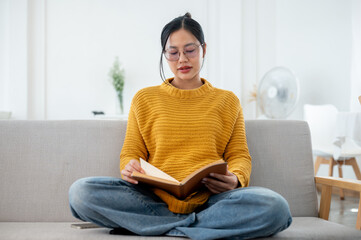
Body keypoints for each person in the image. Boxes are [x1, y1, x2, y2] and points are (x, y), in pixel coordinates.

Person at [68, 12, 292, 240]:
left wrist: (235, 178)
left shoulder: (227, 101)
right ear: (165, 55)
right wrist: (129, 167)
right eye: (173, 53)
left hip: (211, 201)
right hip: (153, 200)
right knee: (80, 193)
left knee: (276, 207)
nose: (182, 59)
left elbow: (239, 155)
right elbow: (131, 153)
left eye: (190, 50)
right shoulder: (144, 98)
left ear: (204, 49)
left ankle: (155, 227)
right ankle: (197, 229)